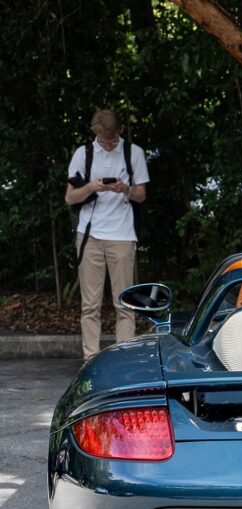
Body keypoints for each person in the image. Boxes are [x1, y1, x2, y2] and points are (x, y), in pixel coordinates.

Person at [65, 109, 149, 361]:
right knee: (90, 305)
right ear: (96, 133)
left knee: (124, 303)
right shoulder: (84, 154)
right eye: (103, 140)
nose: (108, 144)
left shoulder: (134, 153)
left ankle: (123, 360)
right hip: (90, 235)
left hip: (122, 235)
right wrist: (92, 186)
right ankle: (90, 358)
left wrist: (125, 189)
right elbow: (70, 198)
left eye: (112, 140)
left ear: (120, 131)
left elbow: (141, 195)